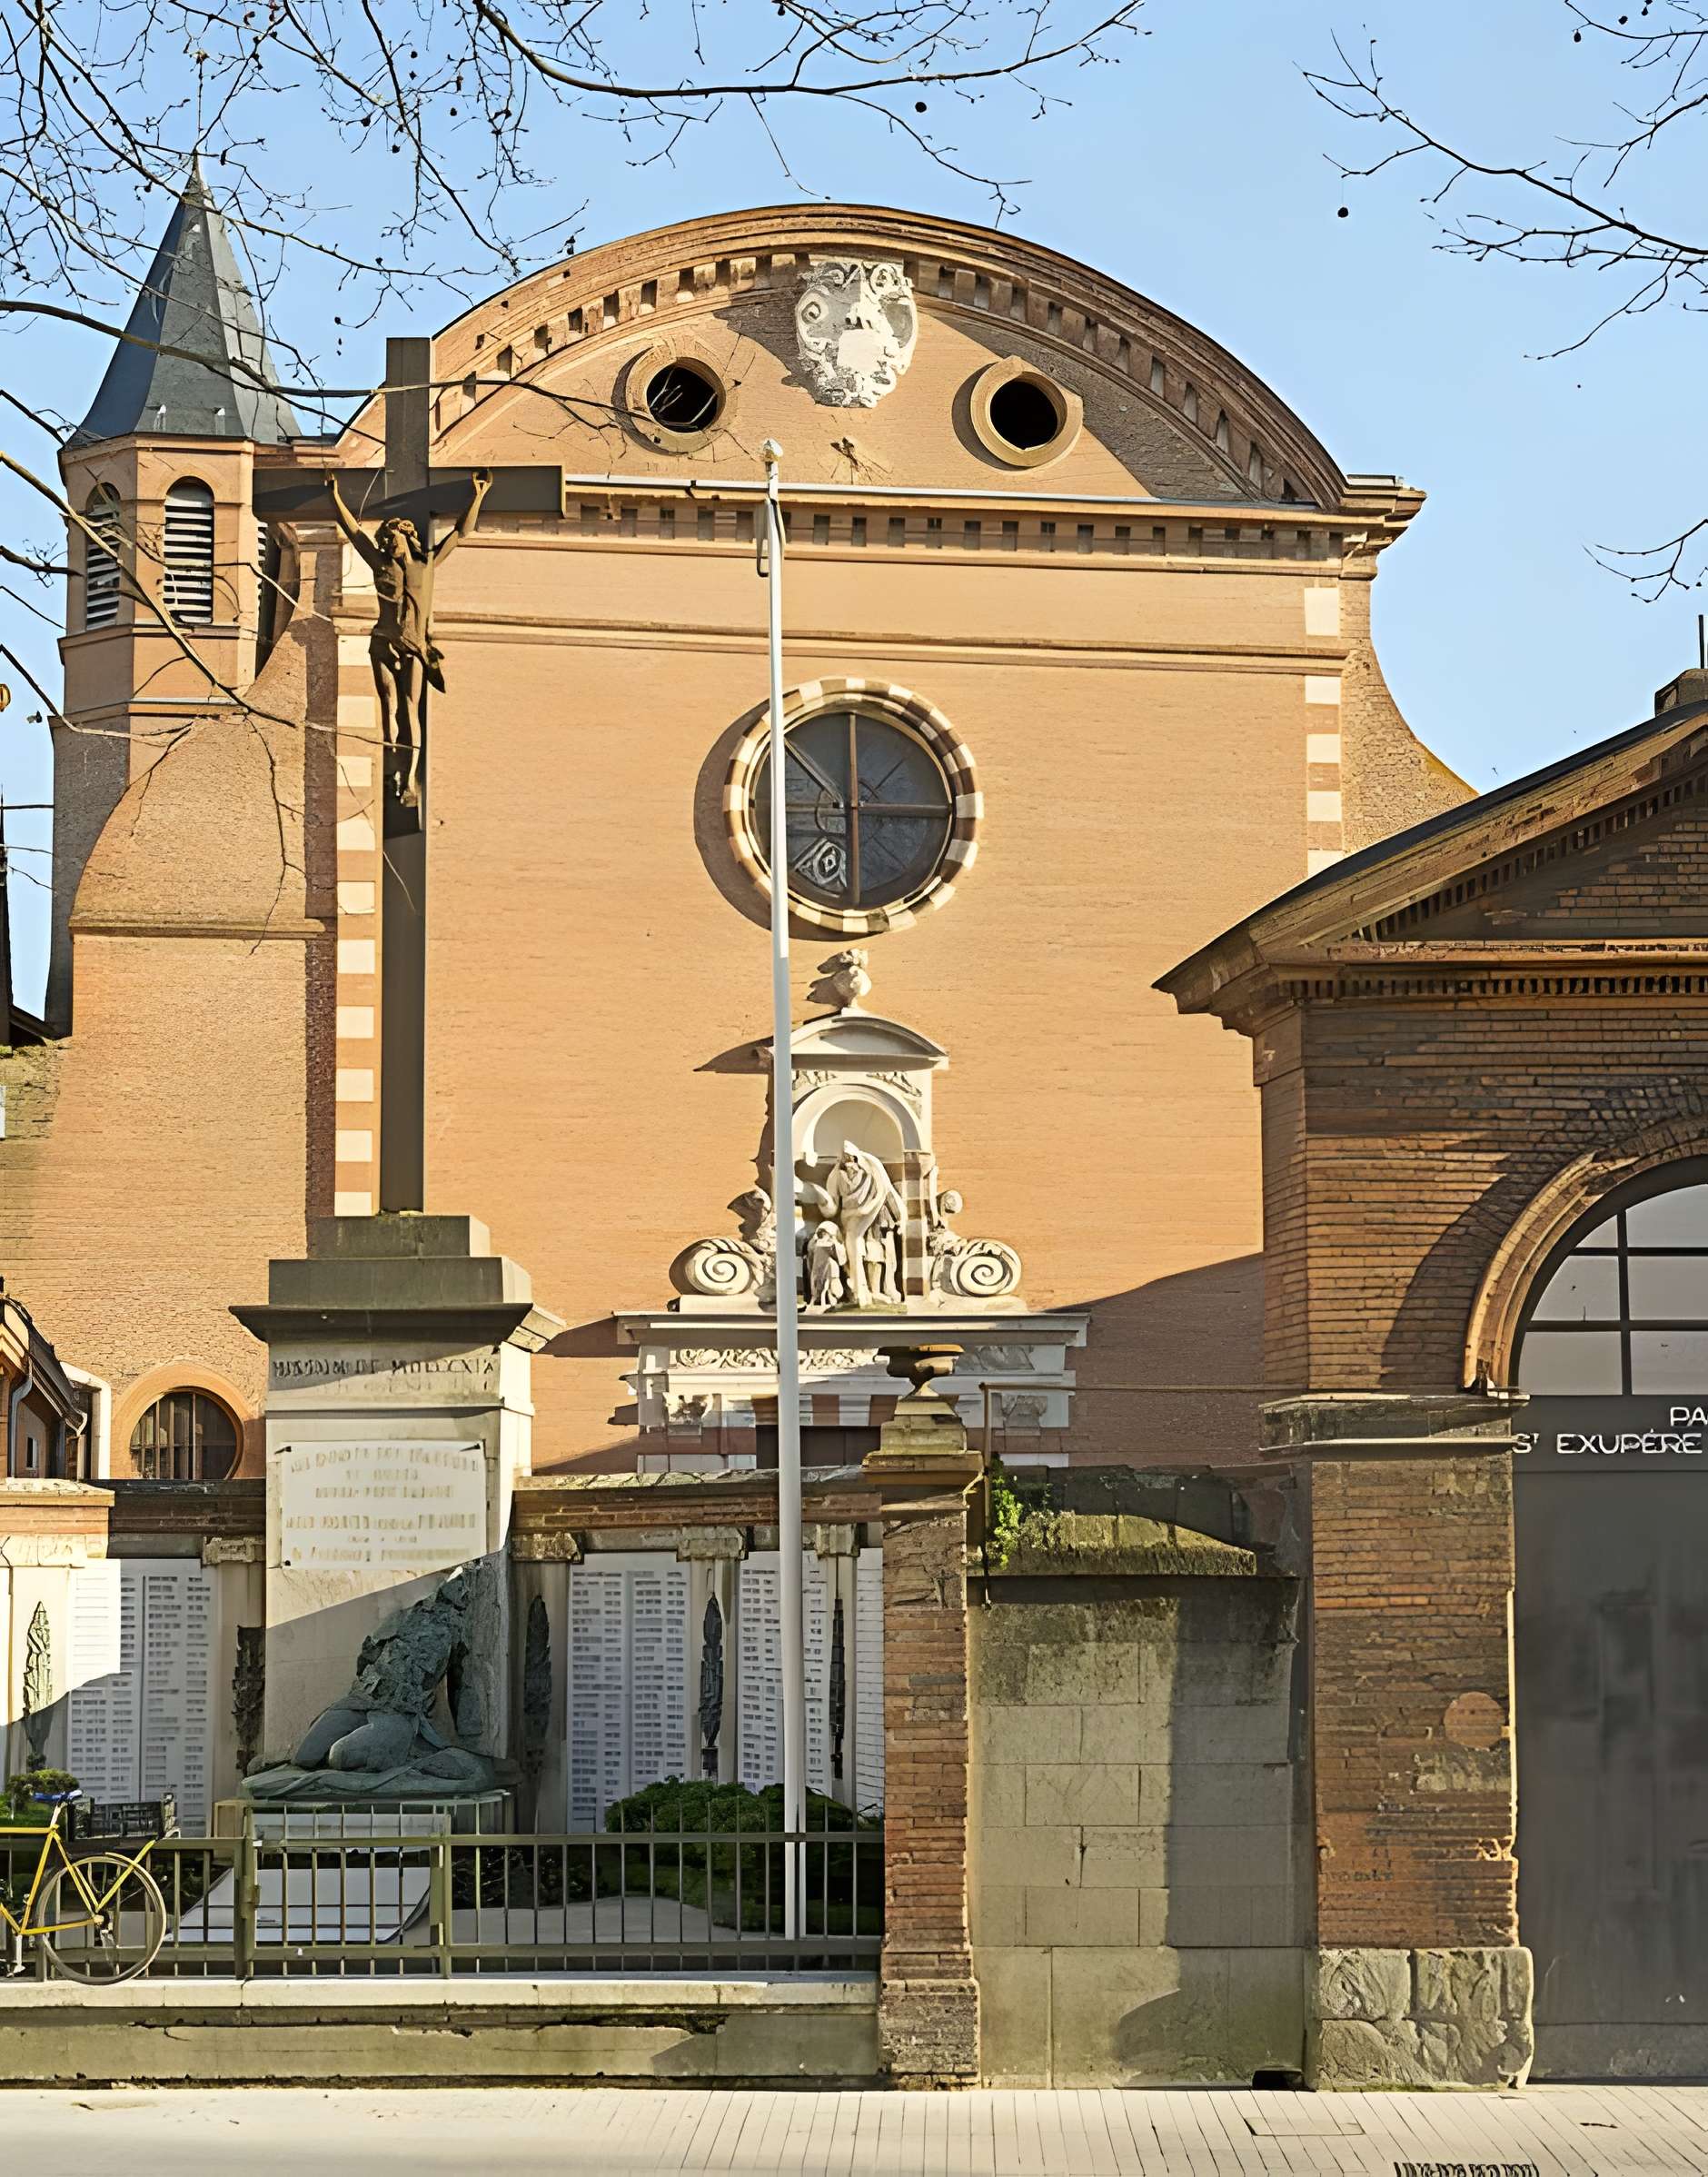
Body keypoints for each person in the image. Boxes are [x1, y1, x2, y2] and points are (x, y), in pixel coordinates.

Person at [322, 466, 492, 806]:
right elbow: (354, 532)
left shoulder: (426, 564)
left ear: (406, 535)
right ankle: (390, 770)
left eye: (393, 538)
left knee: (409, 709)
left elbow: (460, 533)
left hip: (414, 645)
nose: (388, 543)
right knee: (388, 705)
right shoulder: (379, 564)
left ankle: (409, 776)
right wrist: (334, 497)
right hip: (383, 640)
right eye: (385, 539)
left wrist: (478, 495)